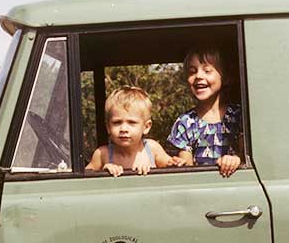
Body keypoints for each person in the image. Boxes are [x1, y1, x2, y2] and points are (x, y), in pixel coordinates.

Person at [168, 47, 243, 177]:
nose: (198, 76)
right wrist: (179, 163)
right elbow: (186, 171)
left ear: (225, 78)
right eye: (192, 72)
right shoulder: (185, 123)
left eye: (207, 71)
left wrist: (236, 160)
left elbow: (247, 156)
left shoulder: (239, 116)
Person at [86, 86, 175, 177]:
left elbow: (174, 168)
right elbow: (82, 180)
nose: (123, 129)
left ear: (146, 127)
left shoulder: (152, 149)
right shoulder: (103, 154)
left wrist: (178, 162)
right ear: (108, 127)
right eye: (117, 122)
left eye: (131, 122)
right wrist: (103, 172)